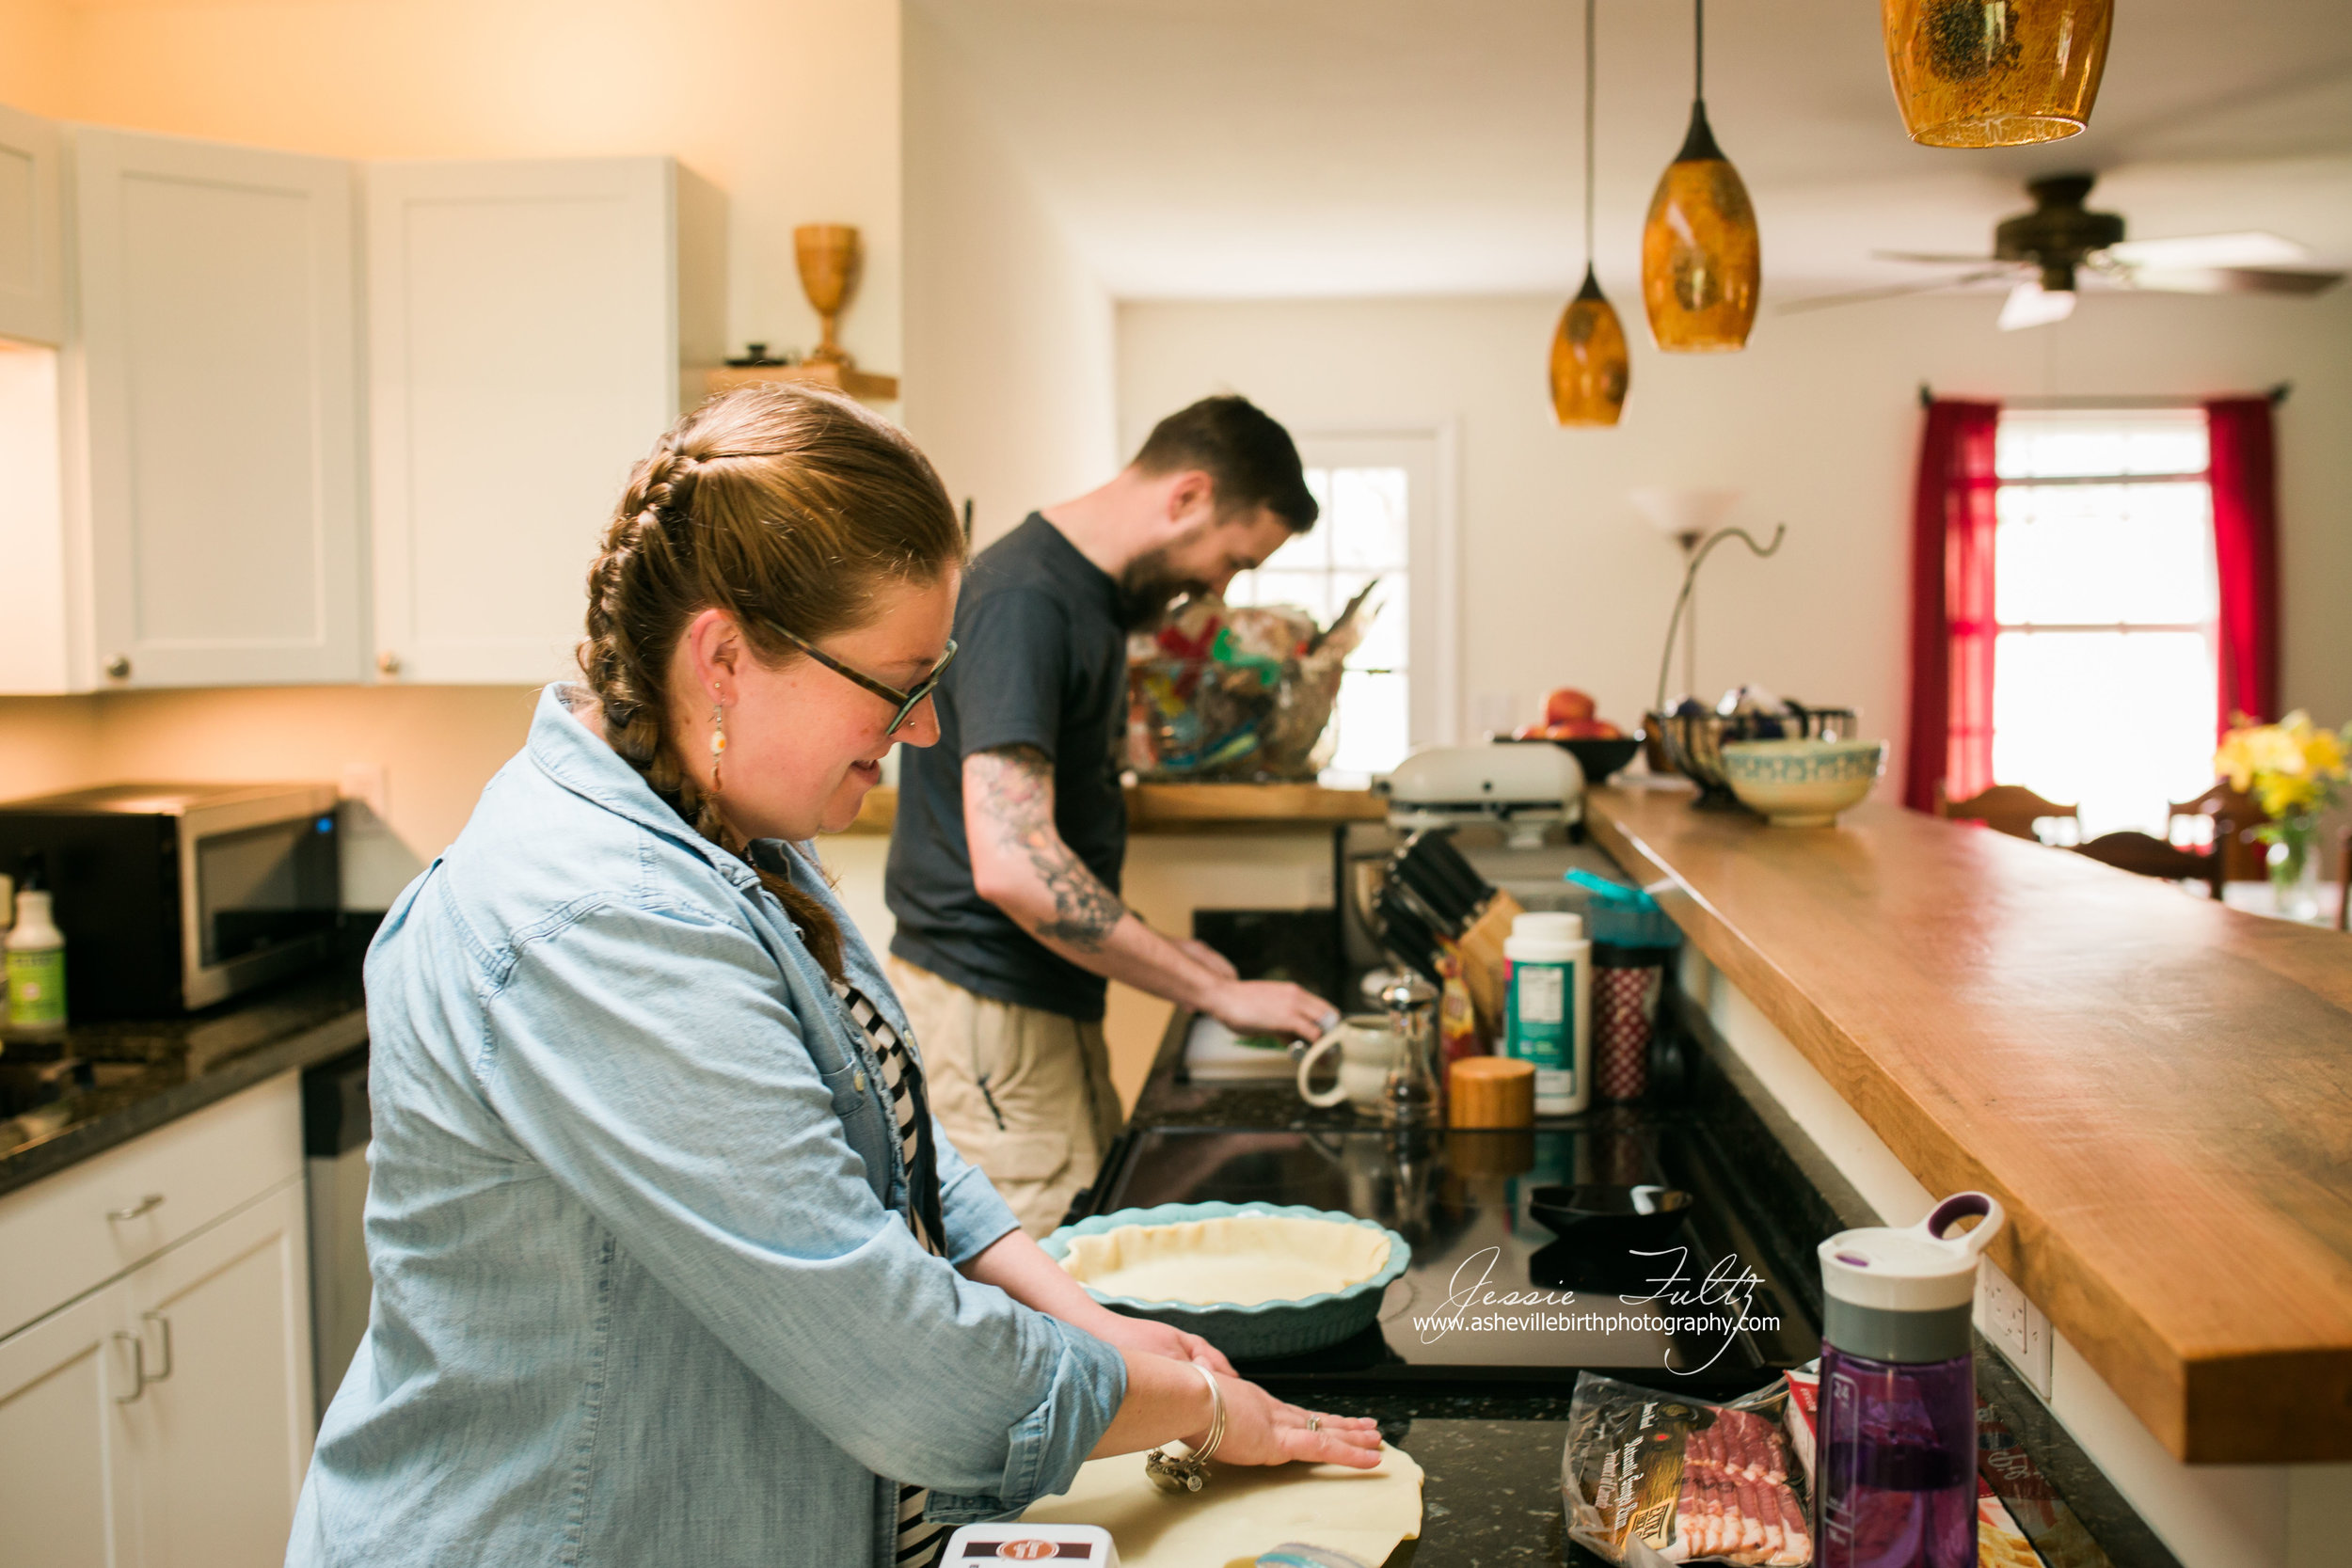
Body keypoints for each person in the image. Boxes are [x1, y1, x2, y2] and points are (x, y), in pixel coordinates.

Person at [285, 385, 1379, 1568]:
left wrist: (1088, 1317)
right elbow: (901, 1359)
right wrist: (1209, 1410)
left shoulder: (730, 820)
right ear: (724, 658)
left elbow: (895, 1146)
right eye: (900, 685)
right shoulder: (596, 927)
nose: (919, 732)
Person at [884, 396, 1338, 1235]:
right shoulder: (1026, 599)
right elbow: (1014, 862)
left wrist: (1177, 961)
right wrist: (1214, 990)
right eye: (1232, 559)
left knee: (1097, 1242)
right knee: (1046, 1299)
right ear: (1188, 495)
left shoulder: (1085, 598)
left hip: (1039, 1007)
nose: (1217, 587)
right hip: (993, 1012)